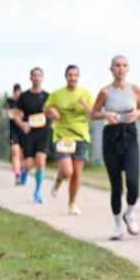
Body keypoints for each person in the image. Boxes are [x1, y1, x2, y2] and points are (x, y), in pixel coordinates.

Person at [91, 55, 140, 240]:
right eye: (117, 65)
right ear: (111, 69)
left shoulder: (136, 90)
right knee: (116, 185)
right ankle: (116, 226)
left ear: (128, 69)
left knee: (133, 183)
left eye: (124, 65)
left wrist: (137, 112)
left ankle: (129, 213)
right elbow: (94, 113)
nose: (120, 69)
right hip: (111, 136)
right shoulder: (105, 92)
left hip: (129, 135)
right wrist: (106, 114)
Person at [45, 64, 93, 215]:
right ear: (65, 76)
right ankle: (59, 178)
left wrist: (85, 104)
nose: (73, 78)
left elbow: (93, 114)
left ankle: (72, 203)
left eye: (75, 75)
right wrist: (51, 111)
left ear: (78, 77)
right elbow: (45, 109)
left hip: (81, 136)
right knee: (67, 171)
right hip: (62, 136)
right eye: (70, 75)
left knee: (77, 173)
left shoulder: (85, 92)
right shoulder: (57, 94)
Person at [14, 67, 51, 203]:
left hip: (43, 133)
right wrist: (23, 125)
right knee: (29, 164)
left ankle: (38, 192)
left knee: (41, 161)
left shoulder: (48, 96)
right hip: (29, 134)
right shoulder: (24, 96)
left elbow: (53, 112)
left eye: (39, 75)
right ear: (30, 78)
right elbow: (16, 115)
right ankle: (24, 171)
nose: (36, 78)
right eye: (34, 75)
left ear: (42, 78)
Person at [3, 84, 24, 184]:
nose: (17, 94)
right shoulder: (8, 101)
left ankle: (21, 170)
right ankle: (17, 175)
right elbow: (4, 115)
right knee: (15, 153)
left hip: (24, 131)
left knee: (22, 155)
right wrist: (11, 114)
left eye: (19, 92)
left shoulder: (24, 101)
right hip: (13, 130)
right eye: (15, 92)